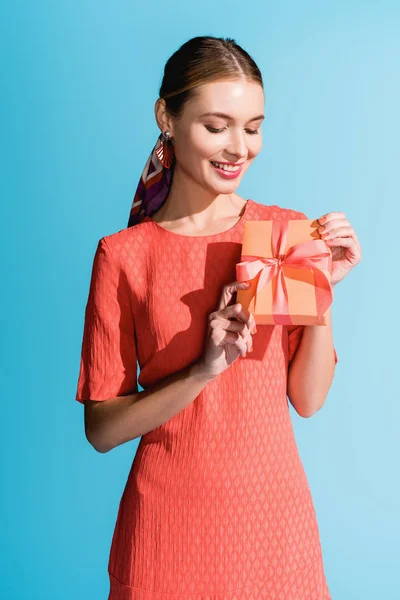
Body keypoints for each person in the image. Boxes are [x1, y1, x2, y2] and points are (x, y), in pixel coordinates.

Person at [75, 35, 361, 600]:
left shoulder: (284, 234)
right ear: (167, 117)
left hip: (275, 537)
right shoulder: (123, 255)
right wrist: (203, 370)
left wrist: (322, 290)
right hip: (164, 540)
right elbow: (101, 431)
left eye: (252, 128)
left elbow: (307, 401)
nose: (239, 148)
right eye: (217, 126)